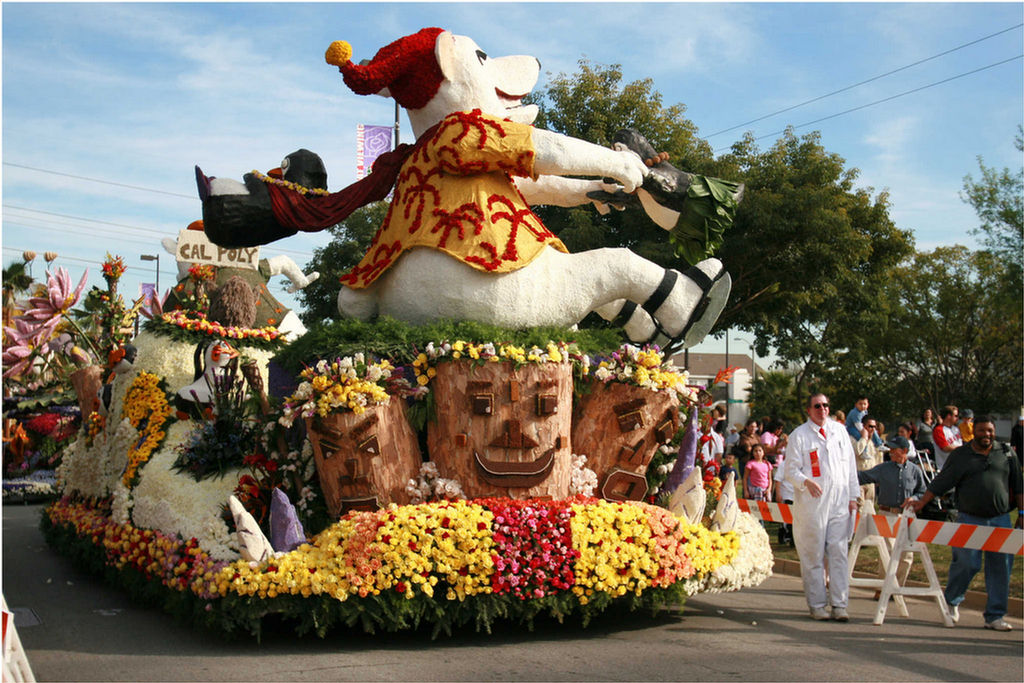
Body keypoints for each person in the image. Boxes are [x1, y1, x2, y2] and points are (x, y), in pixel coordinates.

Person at [905, 416, 1023, 631]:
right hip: (969, 518)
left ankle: (995, 616)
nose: (986, 435)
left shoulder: (1006, 453)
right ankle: (952, 601)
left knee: (1001, 568)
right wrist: (922, 501)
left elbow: (1019, 485)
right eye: (981, 431)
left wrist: (1022, 513)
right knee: (967, 563)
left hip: (1001, 519)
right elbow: (942, 482)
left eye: (989, 430)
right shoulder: (961, 455)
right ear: (973, 432)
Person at [782, 393, 859, 621]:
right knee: (813, 553)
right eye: (817, 406)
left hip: (839, 501)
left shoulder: (840, 432)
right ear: (809, 410)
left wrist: (853, 496)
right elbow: (790, 471)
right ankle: (817, 605)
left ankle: (839, 604)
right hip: (812, 503)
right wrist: (805, 481)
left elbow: (851, 468)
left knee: (839, 552)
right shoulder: (799, 436)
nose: (822, 409)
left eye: (826, 405)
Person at [857, 435, 927, 589]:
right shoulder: (883, 469)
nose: (891, 452)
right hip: (887, 514)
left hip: (907, 515)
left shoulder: (915, 471)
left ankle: (897, 588)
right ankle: (882, 588)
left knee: (907, 555)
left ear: (905, 451)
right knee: (887, 552)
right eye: (890, 449)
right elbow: (862, 476)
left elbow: (922, 491)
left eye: (894, 450)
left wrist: (914, 498)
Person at [853, 418, 883, 506]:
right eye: (870, 426)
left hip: (871, 481)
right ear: (863, 427)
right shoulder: (855, 439)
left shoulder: (875, 443)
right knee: (860, 508)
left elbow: (879, 461)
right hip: (859, 479)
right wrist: (864, 438)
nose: (873, 429)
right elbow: (857, 451)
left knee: (870, 508)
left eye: (874, 427)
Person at [932, 405, 963, 470]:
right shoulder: (939, 430)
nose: (957, 418)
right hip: (946, 467)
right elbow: (945, 448)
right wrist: (965, 448)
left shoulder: (956, 429)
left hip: (959, 465)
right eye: (955, 416)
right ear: (949, 416)